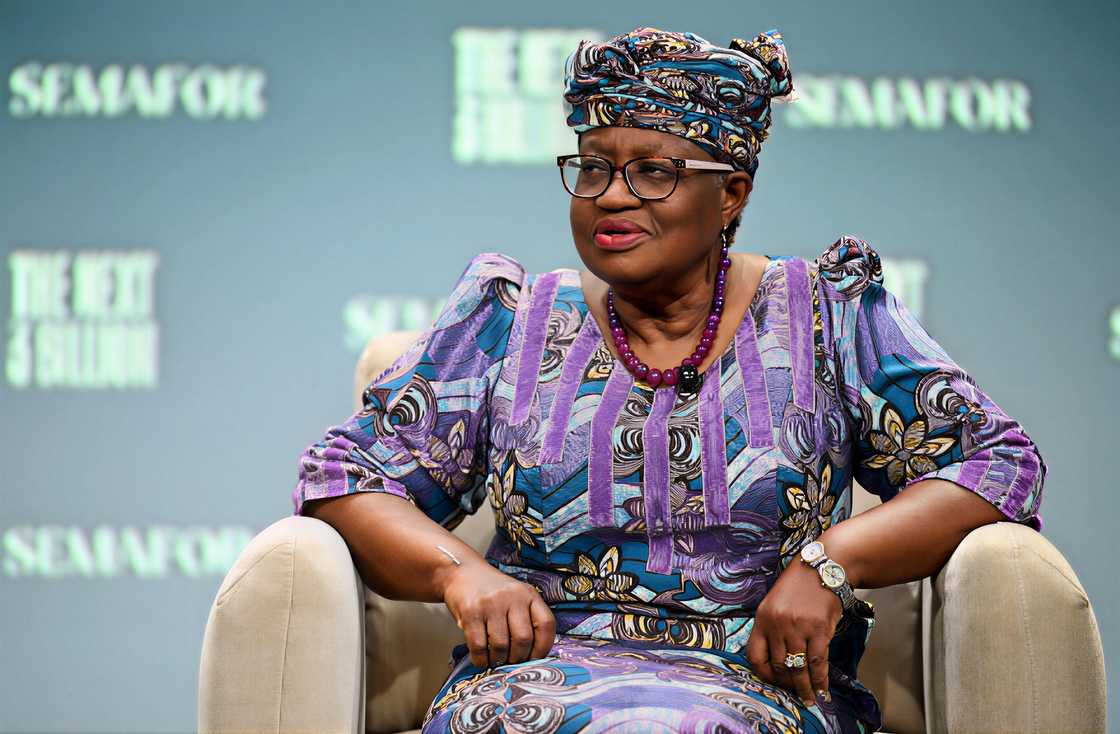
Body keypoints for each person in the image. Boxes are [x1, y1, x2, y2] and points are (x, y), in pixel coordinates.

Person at [293, 27, 1045, 734]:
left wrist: (831, 564)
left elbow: (994, 462)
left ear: (732, 193)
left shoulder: (827, 316)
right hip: (532, 679)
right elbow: (345, 475)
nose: (611, 196)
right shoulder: (510, 322)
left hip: (754, 682)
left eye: (653, 172)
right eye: (593, 167)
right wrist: (460, 573)